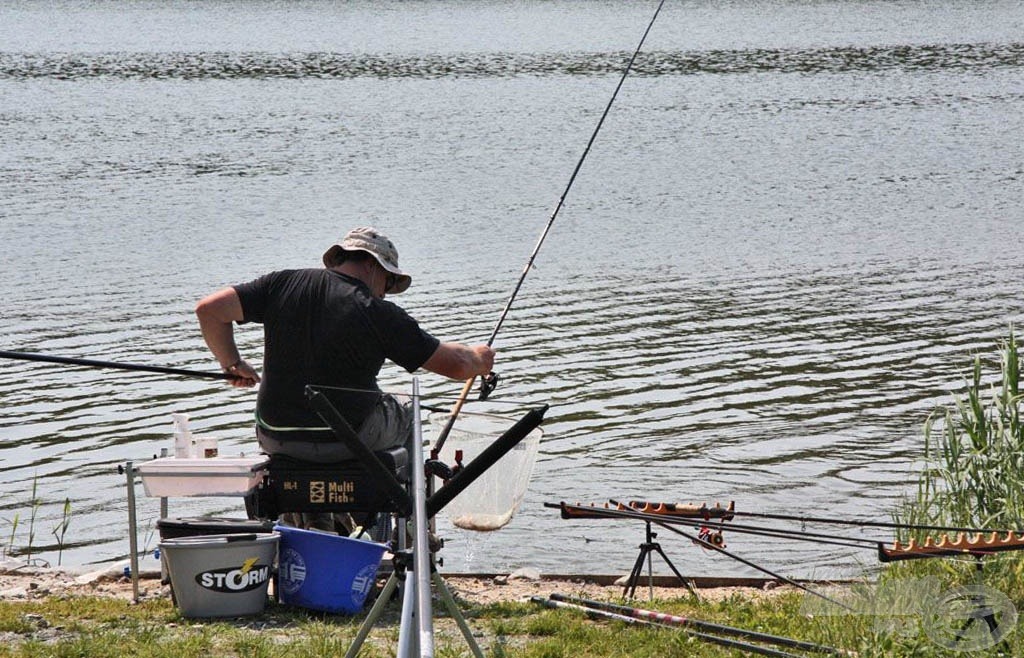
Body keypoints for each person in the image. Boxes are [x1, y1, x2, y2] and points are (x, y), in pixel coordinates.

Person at [195, 226, 495, 533]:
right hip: (348, 439)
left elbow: (209, 310)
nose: (385, 291)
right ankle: (405, 526)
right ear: (371, 264)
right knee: (407, 407)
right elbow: (457, 365)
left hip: (277, 437)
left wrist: (232, 363)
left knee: (324, 424)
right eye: (389, 281)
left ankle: (319, 521)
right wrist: (479, 359)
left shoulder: (280, 283)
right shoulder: (375, 310)